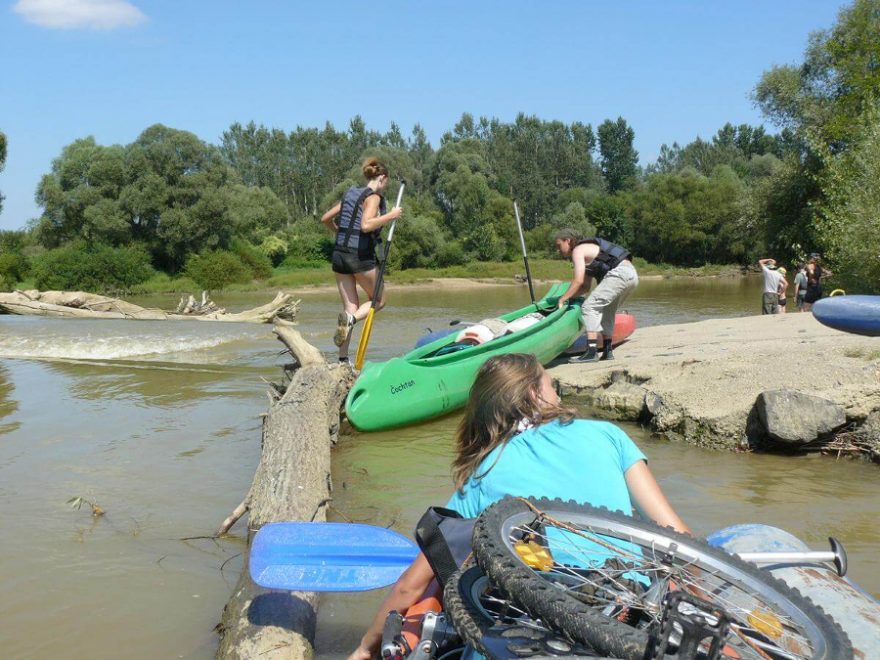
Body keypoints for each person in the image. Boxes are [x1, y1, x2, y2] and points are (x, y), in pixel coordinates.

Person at [347, 353, 690, 660]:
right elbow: (675, 535)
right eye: (551, 385)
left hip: (533, 617)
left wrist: (365, 647)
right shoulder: (608, 435)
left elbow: (412, 584)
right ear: (533, 394)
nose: (556, 394)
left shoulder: (485, 470)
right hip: (623, 609)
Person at [320, 158, 403, 364]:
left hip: (339, 254)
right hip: (359, 257)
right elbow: (366, 225)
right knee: (379, 300)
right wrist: (391, 216)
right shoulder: (373, 197)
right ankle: (352, 320)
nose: (385, 187)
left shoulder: (350, 194)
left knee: (350, 307)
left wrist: (341, 233)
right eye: (386, 183)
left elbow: (325, 219)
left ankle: (342, 360)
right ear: (382, 178)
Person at [553, 229, 639, 363]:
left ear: (568, 241)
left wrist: (562, 299)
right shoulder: (586, 252)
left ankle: (591, 352)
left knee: (589, 307)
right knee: (607, 311)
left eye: (559, 246)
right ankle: (607, 351)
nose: (558, 250)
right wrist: (570, 296)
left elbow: (577, 281)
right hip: (631, 275)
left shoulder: (578, 250)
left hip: (620, 274)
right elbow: (585, 287)